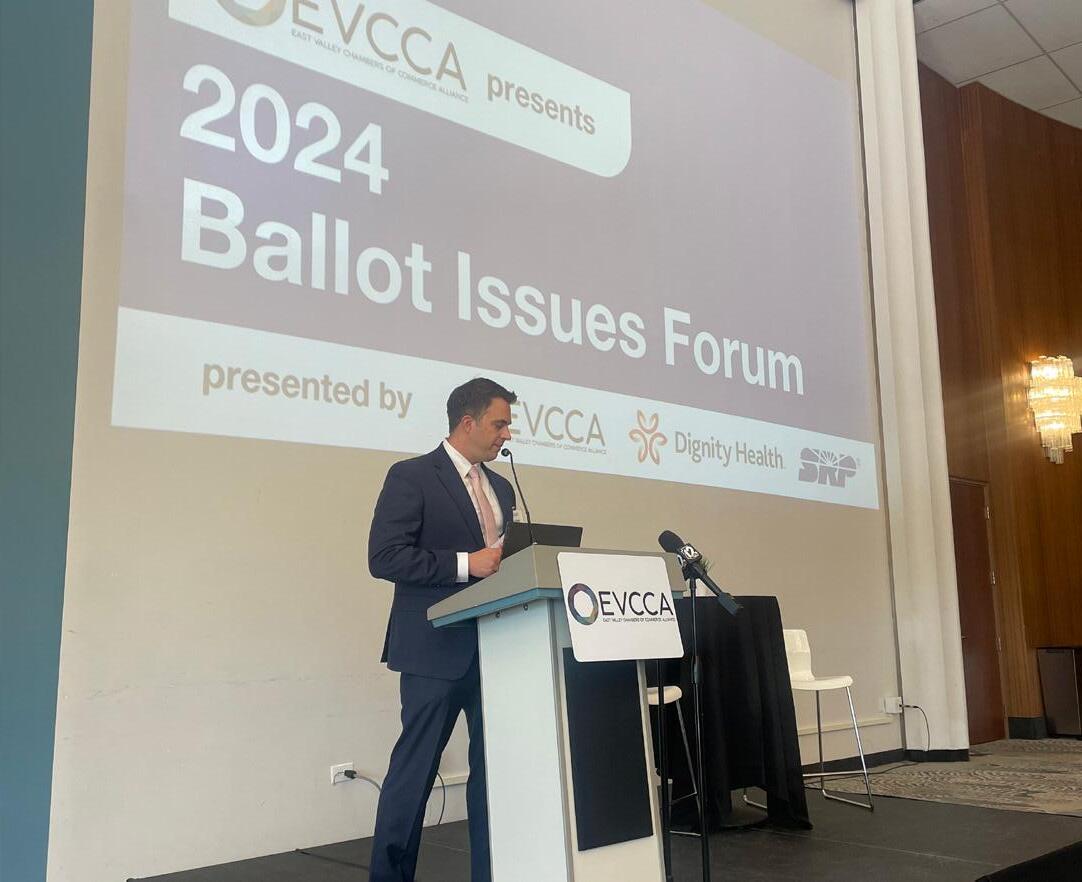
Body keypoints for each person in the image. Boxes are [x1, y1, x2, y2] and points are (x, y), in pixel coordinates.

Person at [367, 377, 517, 882]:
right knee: (415, 774)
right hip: (434, 650)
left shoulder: (502, 488)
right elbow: (385, 557)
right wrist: (464, 564)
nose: (507, 434)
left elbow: (500, 566)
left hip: (498, 649)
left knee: (492, 777)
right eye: (499, 423)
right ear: (468, 422)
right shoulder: (411, 476)